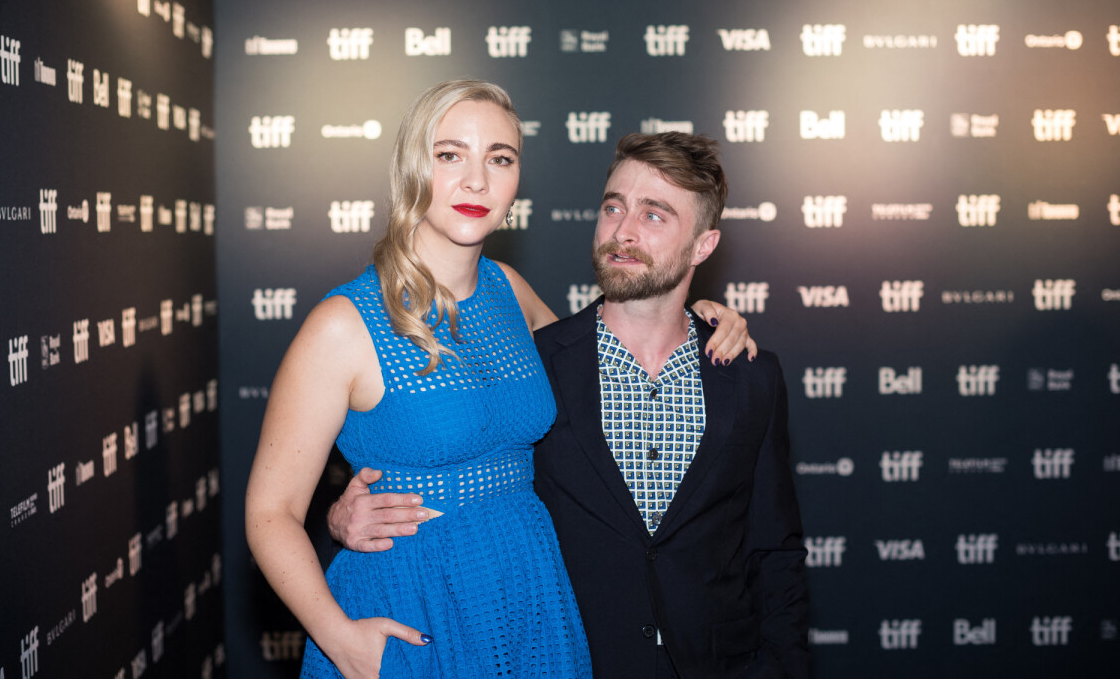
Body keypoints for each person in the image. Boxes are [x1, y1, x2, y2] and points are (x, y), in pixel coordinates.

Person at [244, 81, 754, 679]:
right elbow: (270, 512)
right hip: (413, 608)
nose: (477, 181)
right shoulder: (344, 325)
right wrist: (341, 640)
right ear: (412, 166)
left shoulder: (507, 291)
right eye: (450, 154)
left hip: (530, 597)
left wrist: (702, 321)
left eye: (500, 159)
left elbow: (608, 349)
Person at [331, 130, 808, 679]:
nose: (623, 232)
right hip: (571, 659)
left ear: (703, 246)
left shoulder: (749, 376)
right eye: (614, 207)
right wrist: (341, 516)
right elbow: (452, 476)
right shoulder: (535, 367)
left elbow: (775, 552)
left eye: (654, 216)